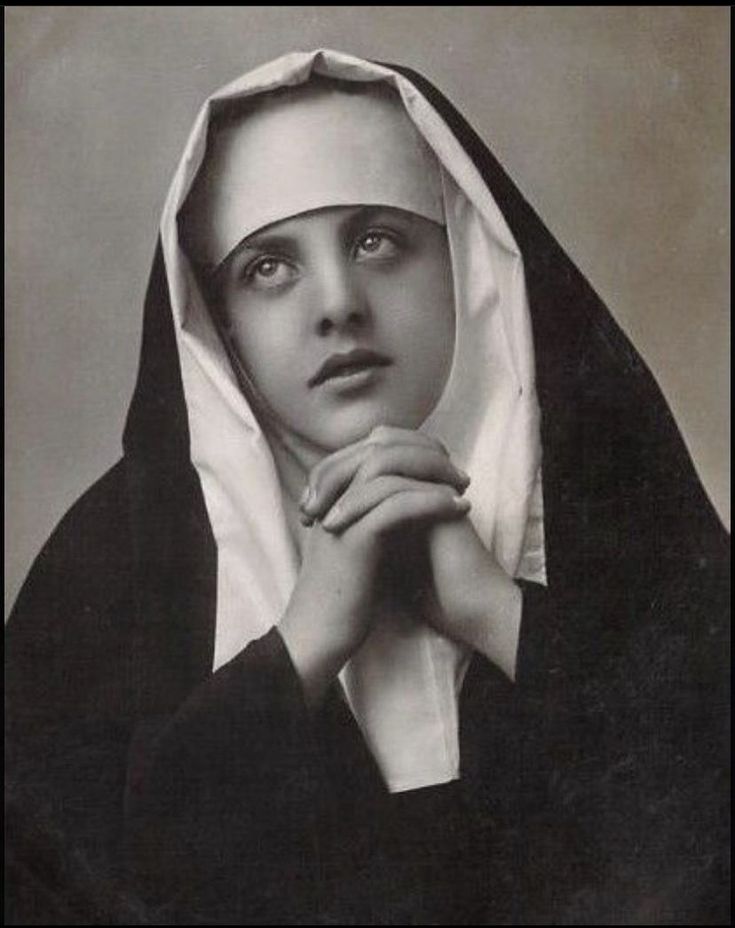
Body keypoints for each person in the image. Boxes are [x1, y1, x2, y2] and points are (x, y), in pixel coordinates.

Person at [5, 49, 729, 926]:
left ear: (462, 259)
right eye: (268, 267)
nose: (339, 303)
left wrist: (497, 614)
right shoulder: (109, 562)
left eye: (377, 240)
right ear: (218, 322)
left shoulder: (614, 501)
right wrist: (301, 644)